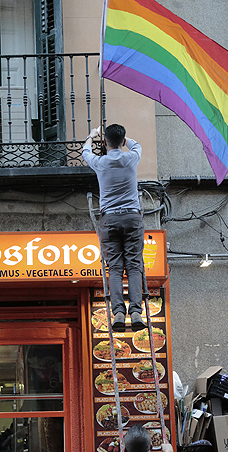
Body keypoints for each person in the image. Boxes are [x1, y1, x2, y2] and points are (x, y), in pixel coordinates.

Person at [82, 124, 146, 332]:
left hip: (109, 220)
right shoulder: (131, 158)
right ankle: (136, 311)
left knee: (115, 268)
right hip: (132, 217)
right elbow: (137, 146)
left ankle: (118, 312)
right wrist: (126, 140)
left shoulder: (100, 162)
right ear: (123, 140)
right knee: (134, 266)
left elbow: (85, 152)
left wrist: (92, 136)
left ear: (105, 142)